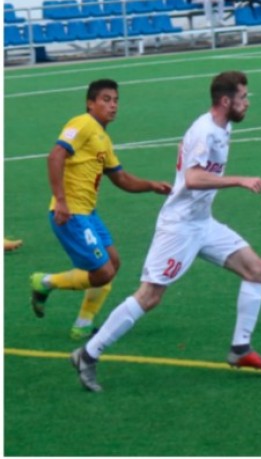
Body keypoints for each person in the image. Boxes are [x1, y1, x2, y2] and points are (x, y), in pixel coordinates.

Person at [71, 71, 261, 393]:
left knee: (257, 269)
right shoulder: (205, 131)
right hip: (179, 227)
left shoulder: (222, 127)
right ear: (226, 101)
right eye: (243, 97)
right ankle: (88, 354)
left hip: (202, 222)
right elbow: (193, 179)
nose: (247, 103)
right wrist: (239, 179)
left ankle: (240, 349)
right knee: (150, 296)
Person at [30, 79, 172, 340]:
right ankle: (45, 282)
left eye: (116, 100)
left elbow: (121, 178)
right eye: (106, 99)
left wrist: (151, 185)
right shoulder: (82, 124)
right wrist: (60, 200)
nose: (113, 105)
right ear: (90, 103)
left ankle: (83, 324)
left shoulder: (103, 138)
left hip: (88, 214)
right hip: (70, 213)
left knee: (113, 263)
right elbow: (55, 156)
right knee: (103, 271)